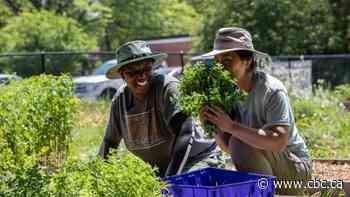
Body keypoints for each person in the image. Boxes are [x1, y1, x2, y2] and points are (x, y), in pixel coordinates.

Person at [199, 27, 311, 195]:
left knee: (238, 140)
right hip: (268, 170)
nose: (220, 67)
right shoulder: (228, 92)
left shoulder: (271, 90)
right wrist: (211, 123)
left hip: (295, 171)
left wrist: (232, 127)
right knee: (238, 142)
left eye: (227, 60)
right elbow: (230, 148)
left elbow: (279, 141)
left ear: (248, 60)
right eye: (217, 60)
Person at [98, 40, 222, 177]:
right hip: (161, 169)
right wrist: (99, 178)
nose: (141, 76)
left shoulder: (168, 88)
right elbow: (110, 142)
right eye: (132, 72)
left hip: (197, 159)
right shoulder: (120, 101)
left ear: (153, 67)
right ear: (122, 75)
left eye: (146, 69)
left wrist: (170, 181)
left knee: (185, 189)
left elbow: (184, 134)